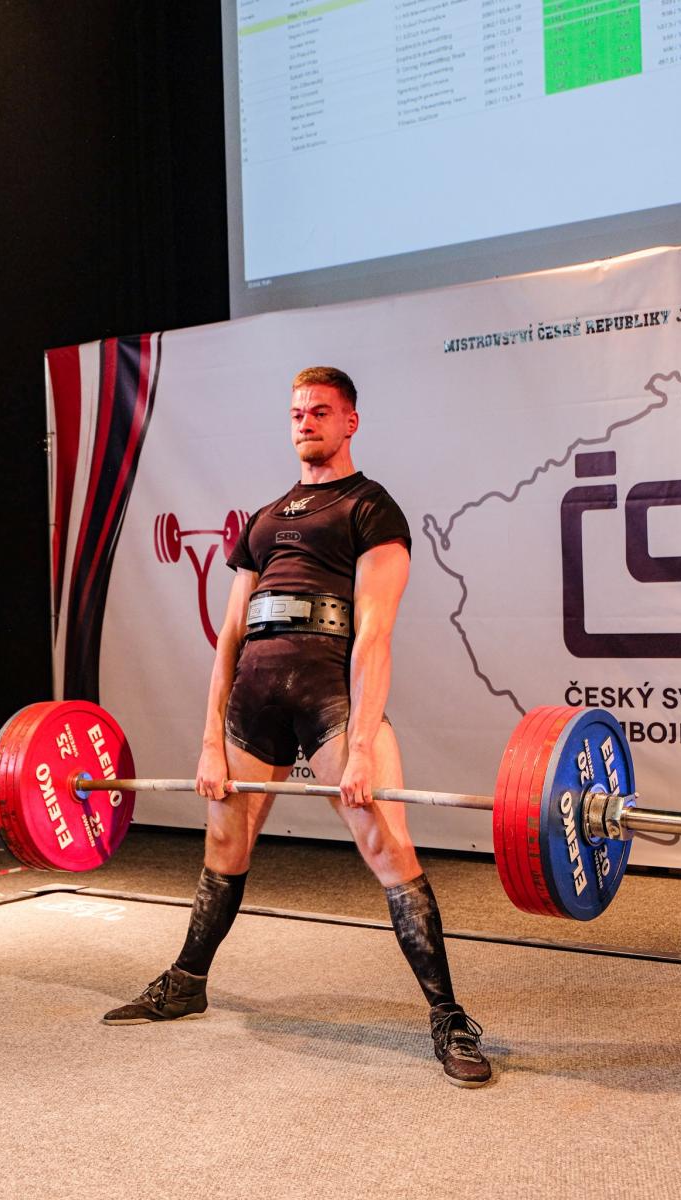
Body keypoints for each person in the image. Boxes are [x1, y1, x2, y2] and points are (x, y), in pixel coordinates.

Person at [103, 366, 491, 1087]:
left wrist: (362, 746)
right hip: (254, 699)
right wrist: (209, 742)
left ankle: (448, 1016)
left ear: (350, 421)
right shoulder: (263, 519)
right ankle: (187, 982)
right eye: (296, 413)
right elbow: (228, 639)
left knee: (386, 842)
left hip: (330, 696)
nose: (305, 422)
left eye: (320, 411)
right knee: (226, 841)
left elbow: (374, 635)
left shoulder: (371, 508)